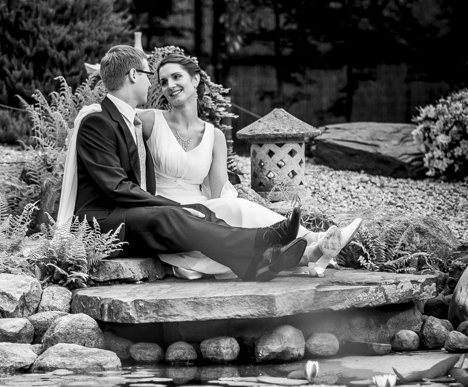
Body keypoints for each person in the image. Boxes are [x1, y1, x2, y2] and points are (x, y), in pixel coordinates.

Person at [57, 44, 309, 282]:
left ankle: (256, 263)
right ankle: (266, 238)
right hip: (102, 222)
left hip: (125, 214)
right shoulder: (98, 122)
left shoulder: (129, 120)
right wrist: (174, 205)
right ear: (133, 75)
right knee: (169, 215)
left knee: (201, 211)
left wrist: (181, 207)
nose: (151, 84)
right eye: (148, 75)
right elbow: (116, 187)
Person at [135, 53, 362, 280]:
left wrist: (223, 219)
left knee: (231, 211)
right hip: (166, 213)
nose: (170, 85)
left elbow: (219, 192)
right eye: (164, 81)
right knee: (238, 210)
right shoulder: (149, 120)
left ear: (195, 80)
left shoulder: (214, 135)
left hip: (203, 212)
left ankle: (312, 250)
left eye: (176, 77)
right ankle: (316, 244)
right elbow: (119, 110)